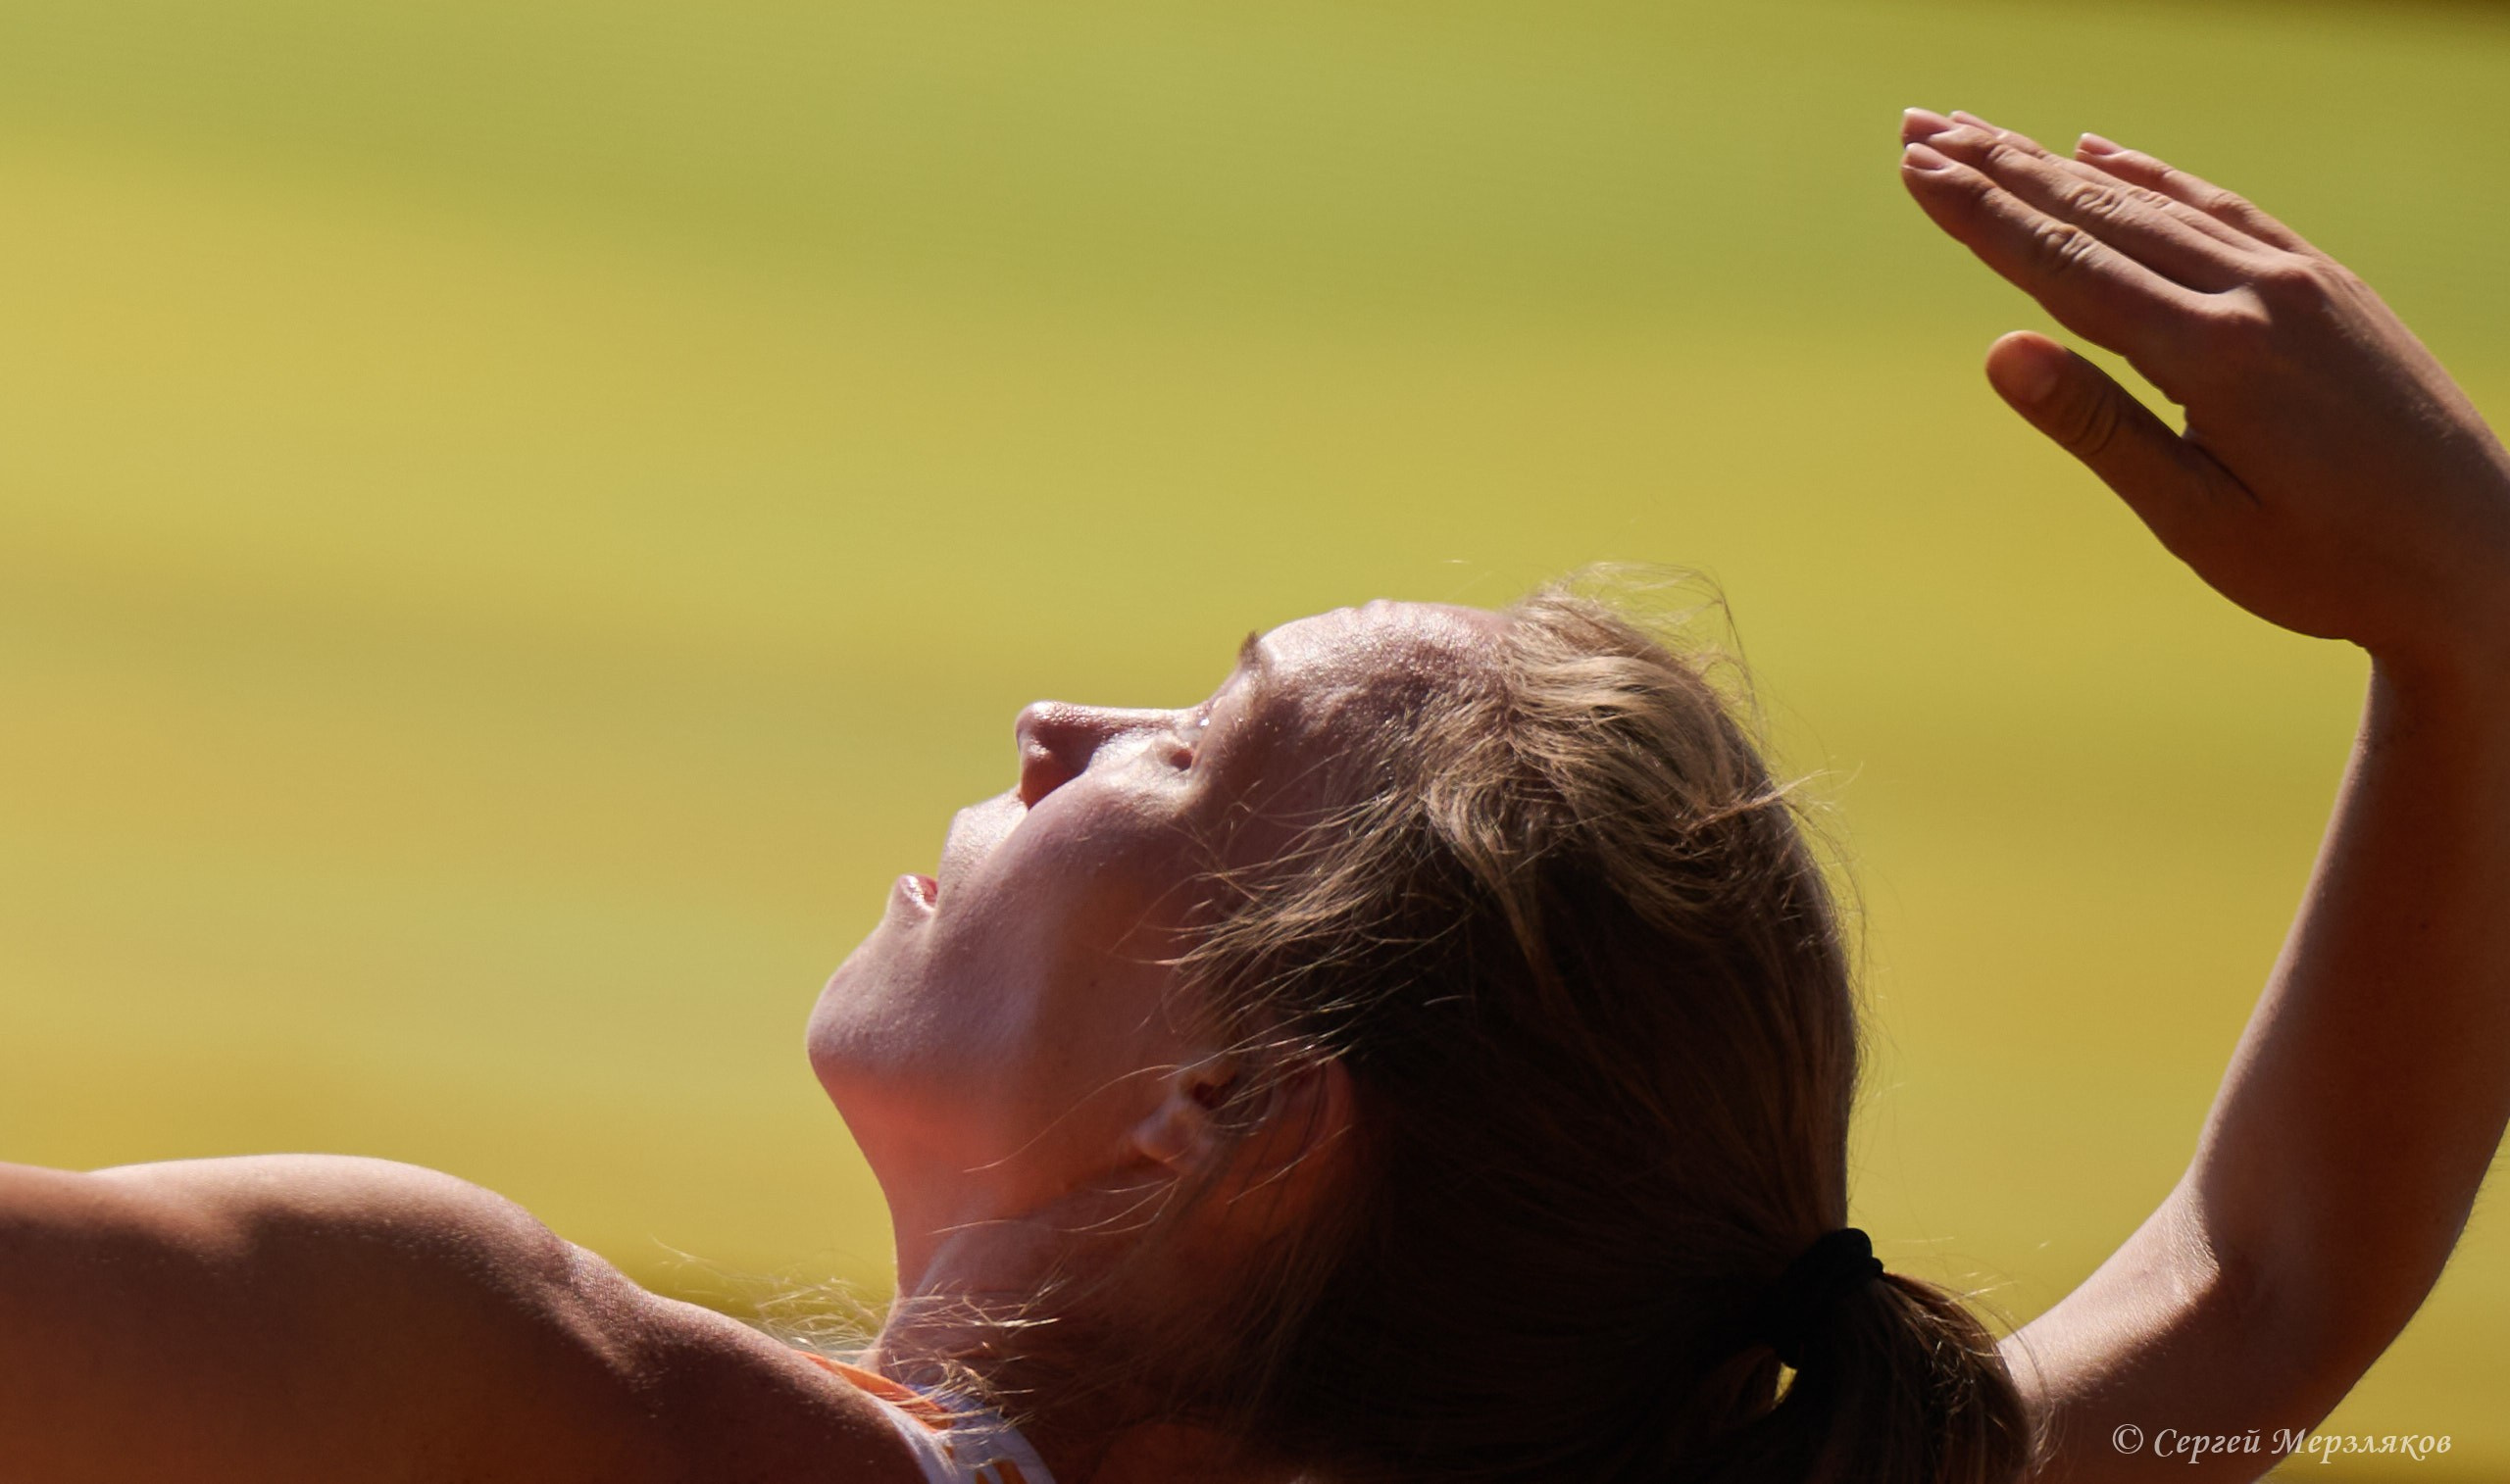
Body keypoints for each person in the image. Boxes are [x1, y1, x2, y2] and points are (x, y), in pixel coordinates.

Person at [1, 108, 2504, 1484]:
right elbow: (2256, 1289)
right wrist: (2470, 633)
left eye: (1187, 748)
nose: (1048, 730)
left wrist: (2470, 630)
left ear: (1235, 1108)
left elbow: (2258, 1292)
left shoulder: (495, 1388)